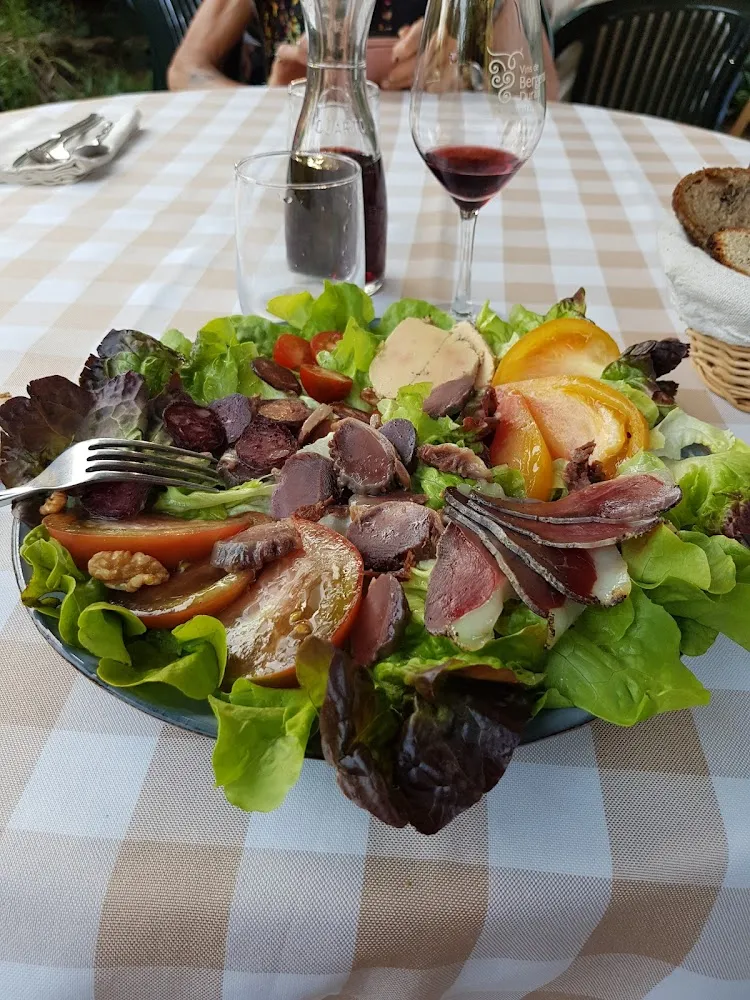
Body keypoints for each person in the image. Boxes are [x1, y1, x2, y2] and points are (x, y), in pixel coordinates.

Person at [168, 0, 559, 98]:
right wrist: (268, 102)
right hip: (301, 157)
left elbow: (539, 98)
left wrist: (467, 75)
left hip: (435, 175)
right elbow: (185, 70)